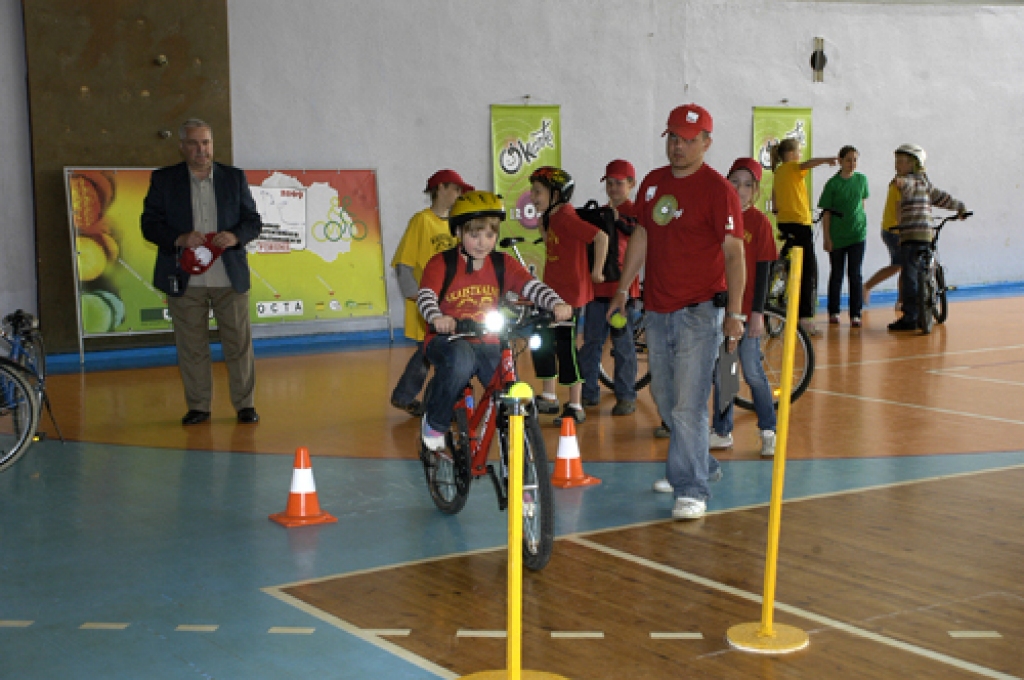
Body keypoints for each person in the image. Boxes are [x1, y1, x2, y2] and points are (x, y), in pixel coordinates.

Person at [608, 104, 746, 520]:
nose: (679, 146)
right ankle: (696, 462)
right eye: (673, 137)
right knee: (665, 397)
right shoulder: (652, 184)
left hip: (700, 312)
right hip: (657, 309)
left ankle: (691, 487)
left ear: (706, 142)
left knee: (688, 403)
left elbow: (735, 254)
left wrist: (736, 314)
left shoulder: (718, 190)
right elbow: (643, 237)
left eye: (689, 139)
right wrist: (620, 290)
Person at [416, 191, 572, 450]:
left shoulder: (502, 263)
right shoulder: (441, 264)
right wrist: (437, 317)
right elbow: (426, 297)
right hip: (448, 339)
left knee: (510, 389)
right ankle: (435, 422)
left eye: (489, 235)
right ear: (458, 233)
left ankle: (519, 470)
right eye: (474, 235)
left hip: (487, 340)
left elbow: (531, 286)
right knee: (461, 359)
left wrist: (555, 303)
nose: (482, 243)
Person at [141, 118, 263, 425]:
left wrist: (235, 236)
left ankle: (245, 405)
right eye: (194, 143)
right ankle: (199, 407)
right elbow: (149, 224)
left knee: (238, 344)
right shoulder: (164, 180)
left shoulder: (234, 178)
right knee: (191, 347)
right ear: (182, 146)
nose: (201, 149)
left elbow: (253, 221)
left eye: (206, 143)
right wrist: (179, 238)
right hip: (185, 279)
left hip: (228, 277)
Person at [528, 166, 609, 426]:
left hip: (570, 296)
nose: (532, 196)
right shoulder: (550, 218)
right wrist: (543, 226)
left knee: (566, 348)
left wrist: (596, 272)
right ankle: (549, 396)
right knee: (542, 342)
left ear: (555, 194)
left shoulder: (565, 217)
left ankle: (575, 404)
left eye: (538, 191)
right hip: (551, 294)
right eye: (532, 190)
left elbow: (601, 238)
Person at [389, 169, 472, 417]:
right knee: (429, 352)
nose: (458, 195)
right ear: (440, 188)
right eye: (455, 189)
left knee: (434, 353)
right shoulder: (421, 221)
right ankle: (423, 399)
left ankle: (416, 398)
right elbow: (403, 263)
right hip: (426, 302)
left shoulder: (457, 225)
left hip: (452, 303)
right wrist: (414, 295)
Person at [578, 159, 641, 417]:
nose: (614, 188)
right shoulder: (600, 214)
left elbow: (639, 241)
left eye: (619, 183)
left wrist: (619, 220)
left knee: (623, 345)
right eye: (610, 183)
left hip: (622, 293)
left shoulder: (637, 214)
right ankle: (588, 392)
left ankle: (626, 396)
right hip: (598, 291)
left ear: (631, 184)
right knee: (592, 342)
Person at [886, 144, 968, 331]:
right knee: (919, 271)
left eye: (901, 162)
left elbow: (910, 185)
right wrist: (960, 207)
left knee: (910, 277)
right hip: (925, 235)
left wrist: (902, 182)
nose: (896, 165)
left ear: (914, 164)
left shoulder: (911, 181)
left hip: (911, 235)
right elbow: (942, 198)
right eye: (896, 161)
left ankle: (911, 317)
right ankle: (925, 299)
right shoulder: (922, 184)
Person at [770, 138, 838, 335]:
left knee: (789, 254)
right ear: (791, 155)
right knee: (809, 270)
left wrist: (776, 209)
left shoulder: (779, 172)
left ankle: (778, 276)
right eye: (799, 151)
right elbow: (808, 164)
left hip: (784, 221)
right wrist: (826, 160)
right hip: (800, 223)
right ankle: (805, 318)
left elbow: (775, 197)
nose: (800, 155)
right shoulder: (792, 167)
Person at [819, 145, 870, 327]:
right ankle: (834, 311)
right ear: (840, 161)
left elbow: (861, 204)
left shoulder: (862, 180)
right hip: (838, 237)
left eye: (855, 159)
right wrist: (827, 238)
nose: (852, 163)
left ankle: (856, 314)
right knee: (837, 274)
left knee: (855, 274)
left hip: (857, 235)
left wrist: (860, 224)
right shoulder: (833, 184)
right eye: (848, 160)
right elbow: (826, 214)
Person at [862, 179, 903, 311]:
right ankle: (867, 286)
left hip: (892, 229)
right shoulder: (899, 185)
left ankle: (901, 301)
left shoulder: (899, 183)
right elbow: (899, 209)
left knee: (902, 266)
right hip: (894, 231)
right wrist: (903, 230)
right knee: (901, 266)